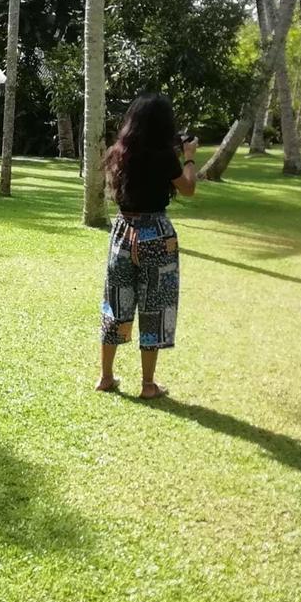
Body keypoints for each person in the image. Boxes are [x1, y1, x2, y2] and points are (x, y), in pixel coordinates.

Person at [96, 93, 197, 399]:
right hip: (156, 233)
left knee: (115, 303)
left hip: (122, 231)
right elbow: (189, 188)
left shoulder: (120, 152)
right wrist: (189, 156)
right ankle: (148, 385)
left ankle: (106, 377)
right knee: (154, 306)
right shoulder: (165, 156)